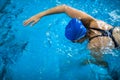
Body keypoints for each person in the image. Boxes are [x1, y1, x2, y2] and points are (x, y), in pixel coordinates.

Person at [23, 4, 120, 67]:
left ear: (80, 38)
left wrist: (86, 61)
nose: (75, 43)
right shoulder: (91, 22)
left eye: (74, 41)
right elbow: (64, 8)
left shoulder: (93, 46)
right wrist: (40, 15)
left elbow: (103, 64)